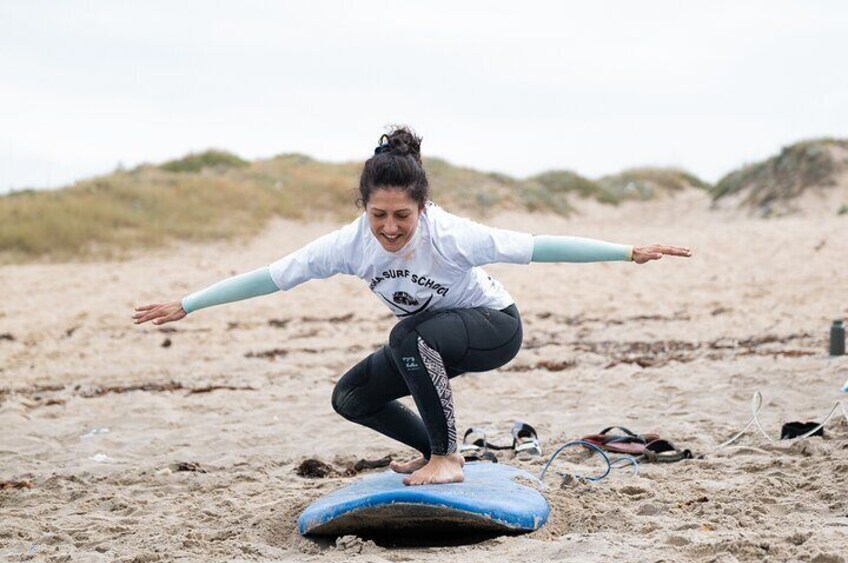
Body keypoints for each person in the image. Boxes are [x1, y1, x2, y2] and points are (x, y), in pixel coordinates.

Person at [133, 126, 691, 486]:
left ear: (422, 208)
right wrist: (188, 304)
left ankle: (447, 458)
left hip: (494, 328)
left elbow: (538, 246)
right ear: (364, 207)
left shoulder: (451, 235)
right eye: (379, 215)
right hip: (429, 339)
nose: (391, 228)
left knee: (408, 337)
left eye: (402, 216)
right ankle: (437, 451)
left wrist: (626, 252)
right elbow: (274, 276)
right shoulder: (347, 244)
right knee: (351, 396)